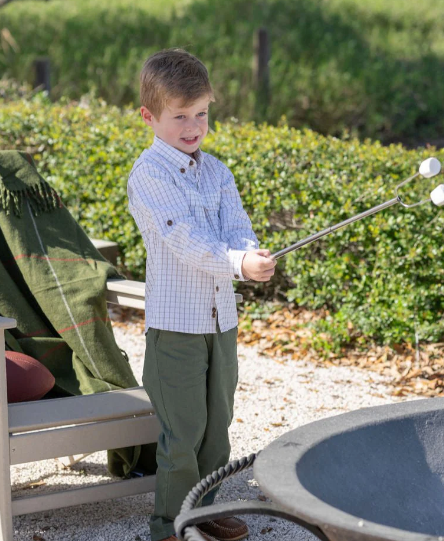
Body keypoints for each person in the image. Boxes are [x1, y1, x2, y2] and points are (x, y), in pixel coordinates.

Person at [127, 48, 276, 541]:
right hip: (176, 328)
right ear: (149, 116)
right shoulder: (149, 176)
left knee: (218, 426)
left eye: (202, 114)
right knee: (183, 433)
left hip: (220, 323)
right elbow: (184, 239)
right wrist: (236, 262)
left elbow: (237, 228)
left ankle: (203, 509)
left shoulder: (216, 172)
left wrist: (251, 253)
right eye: (180, 116)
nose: (193, 127)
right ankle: (170, 525)